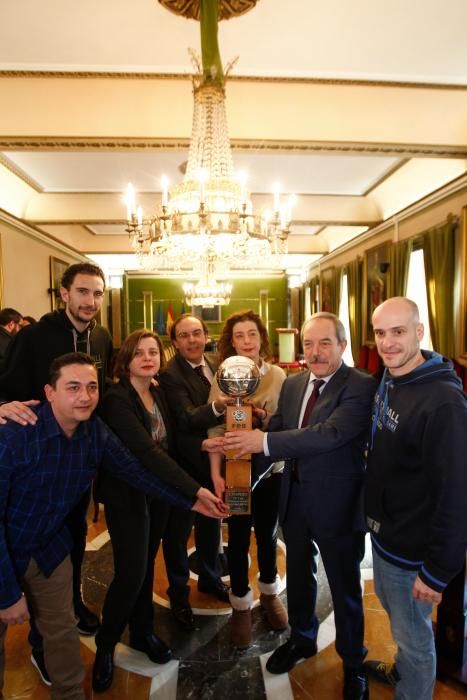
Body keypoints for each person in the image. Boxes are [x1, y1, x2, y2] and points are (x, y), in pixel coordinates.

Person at [0, 352, 225, 700]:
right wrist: (7, 593)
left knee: (61, 634)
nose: (85, 396)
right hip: (4, 548)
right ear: (49, 392)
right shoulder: (15, 433)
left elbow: (136, 472)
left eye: (91, 387)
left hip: (49, 549)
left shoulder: (94, 431)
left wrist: (192, 500)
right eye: (73, 387)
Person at [224, 312, 377, 700]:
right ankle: (303, 639)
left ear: (343, 345)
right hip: (293, 501)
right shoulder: (293, 385)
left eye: (325, 343)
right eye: (308, 344)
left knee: (345, 589)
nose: (315, 351)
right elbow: (275, 431)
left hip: (338, 505)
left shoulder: (360, 386)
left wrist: (263, 442)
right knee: (300, 576)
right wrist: (234, 462)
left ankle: (354, 664)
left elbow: (328, 435)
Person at [93, 329, 224, 692]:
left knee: (147, 567)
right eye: (139, 353)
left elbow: (175, 440)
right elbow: (146, 453)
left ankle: (144, 631)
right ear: (126, 360)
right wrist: (194, 490)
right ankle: (105, 647)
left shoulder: (158, 391)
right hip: (128, 497)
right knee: (130, 574)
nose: (148, 358)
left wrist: (206, 449)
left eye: (153, 352)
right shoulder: (116, 399)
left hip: (159, 495)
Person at [0, 262, 113, 683]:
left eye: (98, 294)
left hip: (77, 461)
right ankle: (38, 645)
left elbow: (100, 388)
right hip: (32, 464)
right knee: (28, 546)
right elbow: (7, 385)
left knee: (73, 542)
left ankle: (73, 603)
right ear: (63, 293)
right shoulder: (33, 335)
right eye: (83, 292)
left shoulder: (100, 336)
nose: (90, 302)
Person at [363, 297, 467, 700]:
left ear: (419, 332)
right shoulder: (392, 376)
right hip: (387, 538)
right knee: (401, 626)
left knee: (416, 640)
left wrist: (437, 570)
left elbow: (456, 494)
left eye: (399, 332)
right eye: (380, 333)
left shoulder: (443, 403)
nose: (388, 343)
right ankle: (402, 673)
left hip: (414, 554)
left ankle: (413, 689)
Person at [207, 309, 287, 648]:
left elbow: (286, 425)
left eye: (252, 334)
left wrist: (262, 416)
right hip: (236, 471)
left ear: (261, 338)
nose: (246, 342)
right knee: (237, 539)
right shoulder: (222, 377)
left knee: (268, 536)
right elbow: (213, 429)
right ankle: (241, 603)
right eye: (239, 336)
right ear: (230, 342)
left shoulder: (279, 376)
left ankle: (269, 593)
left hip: (271, 470)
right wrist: (215, 474)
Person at [158, 313, 231, 627]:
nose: (192, 340)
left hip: (214, 461)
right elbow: (186, 419)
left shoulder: (217, 364)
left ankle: (210, 578)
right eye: (184, 335)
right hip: (182, 464)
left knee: (210, 523)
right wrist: (220, 406)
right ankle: (178, 593)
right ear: (174, 341)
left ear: (206, 336)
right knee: (176, 533)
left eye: (197, 333)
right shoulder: (170, 374)